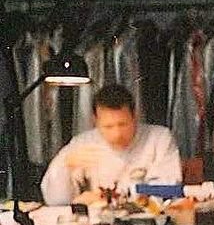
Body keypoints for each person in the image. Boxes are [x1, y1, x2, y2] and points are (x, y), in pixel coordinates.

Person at [40, 83, 181, 205]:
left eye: (123, 124)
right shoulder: (83, 143)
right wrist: (64, 166)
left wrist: (113, 198)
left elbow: (168, 188)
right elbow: (55, 201)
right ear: (95, 121)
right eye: (108, 126)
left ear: (135, 117)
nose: (117, 134)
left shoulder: (159, 138)